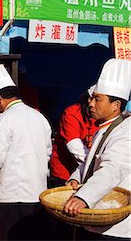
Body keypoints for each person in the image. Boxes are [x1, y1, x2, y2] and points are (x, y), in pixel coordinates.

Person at [0, 64, 52, 240]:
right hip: (38, 192)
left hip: (14, 196)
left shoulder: (4, 120)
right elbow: (47, 152)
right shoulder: (39, 117)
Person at [63, 58, 131, 240]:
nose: (91, 103)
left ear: (116, 105)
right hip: (97, 218)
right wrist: (76, 178)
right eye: (92, 98)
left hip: (115, 229)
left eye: (97, 99)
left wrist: (82, 198)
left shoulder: (126, 132)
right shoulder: (105, 128)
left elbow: (111, 170)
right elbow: (91, 160)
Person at [49, 87, 98, 187]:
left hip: (89, 170)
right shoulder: (72, 113)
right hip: (65, 173)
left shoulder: (103, 117)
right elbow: (75, 146)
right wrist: (96, 166)